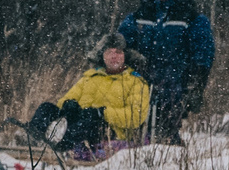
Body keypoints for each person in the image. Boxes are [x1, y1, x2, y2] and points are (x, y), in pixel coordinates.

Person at [119, 0, 215, 145]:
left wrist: (197, 83)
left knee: (165, 126)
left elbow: (203, 52)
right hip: (140, 76)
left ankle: (168, 156)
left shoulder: (191, 18)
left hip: (175, 79)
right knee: (134, 121)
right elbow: (121, 42)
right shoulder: (139, 15)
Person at [15, 34, 151, 157]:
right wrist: (69, 104)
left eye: (118, 52)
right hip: (77, 121)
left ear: (125, 55)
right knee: (47, 108)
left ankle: (61, 148)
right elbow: (65, 99)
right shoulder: (90, 77)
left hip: (109, 130)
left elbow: (136, 116)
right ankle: (32, 139)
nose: (114, 56)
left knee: (88, 123)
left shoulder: (136, 82)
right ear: (102, 56)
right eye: (109, 52)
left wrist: (102, 113)